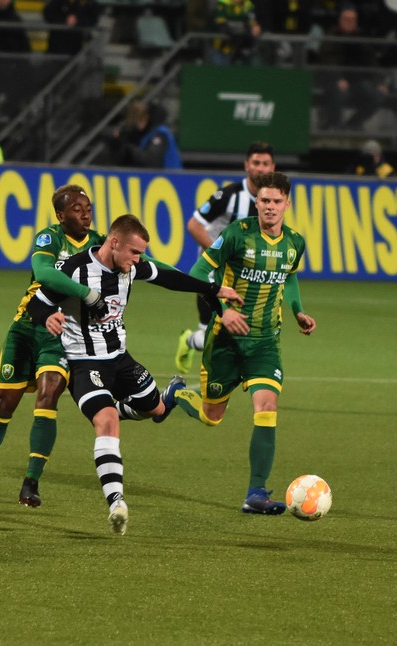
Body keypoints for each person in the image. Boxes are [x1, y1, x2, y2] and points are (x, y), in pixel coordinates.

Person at [25, 214, 238, 535]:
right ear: (114, 243)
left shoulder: (132, 267)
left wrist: (213, 289)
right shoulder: (74, 271)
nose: (139, 260)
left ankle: (171, 395)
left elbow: (169, 277)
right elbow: (36, 303)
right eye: (135, 252)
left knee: (156, 409)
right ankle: (117, 504)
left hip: (121, 360)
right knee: (107, 420)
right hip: (85, 364)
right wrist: (48, 318)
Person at [163, 171, 317, 516]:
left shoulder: (294, 242)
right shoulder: (237, 235)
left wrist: (298, 312)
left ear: (287, 205)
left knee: (266, 407)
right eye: (264, 201)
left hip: (265, 343)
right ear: (256, 202)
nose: (270, 207)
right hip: (226, 342)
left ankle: (256, 493)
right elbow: (198, 274)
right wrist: (222, 309)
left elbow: (289, 278)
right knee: (211, 416)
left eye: (277, 201)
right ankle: (176, 393)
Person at [0, 185, 107, 510]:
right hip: (27, 326)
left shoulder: (100, 243)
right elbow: (43, 272)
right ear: (60, 214)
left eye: (88, 206)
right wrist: (86, 293)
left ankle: (31, 482)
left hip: (64, 333)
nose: (85, 212)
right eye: (77, 208)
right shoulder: (49, 238)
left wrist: (204, 285)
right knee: (2, 405)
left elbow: (140, 259)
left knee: (48, 396)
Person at [175, 141, 275, 374]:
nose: (261, 168)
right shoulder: (229, 196)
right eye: (256, 163)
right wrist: (221, 254)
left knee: (231, 334)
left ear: (273, 167)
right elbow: (194, 225)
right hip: (213, 275)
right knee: (217, 336)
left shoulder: (272, 202)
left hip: (243, 277)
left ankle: (191, 341)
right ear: (246, 166)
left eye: (266, 163)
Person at [317, 4, 390, 130]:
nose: (349, 22)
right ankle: (333, 124)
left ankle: (353, 124)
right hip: (334, 79)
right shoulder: (331, 37)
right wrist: (338, 78)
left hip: (357, 80)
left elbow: (371, 62)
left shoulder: (361, 38)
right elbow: (327, 60)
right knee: (340, 92)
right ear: (340, 20)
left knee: (377, 95)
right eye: (346, 19)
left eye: (352, 20)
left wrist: (379, 82)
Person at [107, 100, 183, 170]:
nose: (137, 126)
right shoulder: (144, 135)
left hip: (172, 180)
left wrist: (129, 148)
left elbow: (152, 161)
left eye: (138, 121)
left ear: (145, 117)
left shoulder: (160, 134)